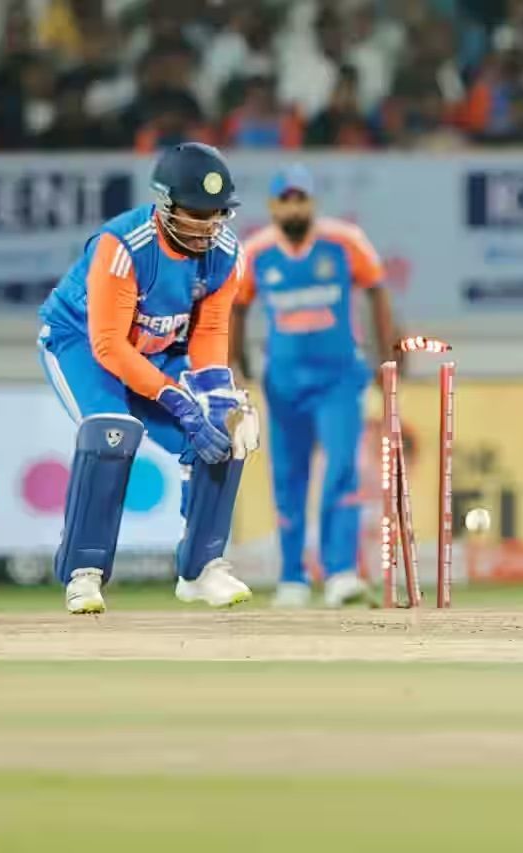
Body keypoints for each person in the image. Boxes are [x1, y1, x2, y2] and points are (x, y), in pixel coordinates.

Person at [37, 142, 260, 615]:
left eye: (216, 213)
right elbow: (108, 346)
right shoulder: (122, 246)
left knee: (227, 426)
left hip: (160, 348)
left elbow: (212, 330)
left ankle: (201, 569)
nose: (207, 225)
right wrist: (178, 401)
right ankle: (84, 573)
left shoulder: (226, 253)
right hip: (81, 342)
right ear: (166, 206)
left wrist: (214, 395)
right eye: (196, 213)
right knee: (111, 432)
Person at [231, 165, 397, 609]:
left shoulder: (344, 242)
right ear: (271, 206)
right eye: (285, 199)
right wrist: (236, 362)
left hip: (340, 379)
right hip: (284, 383)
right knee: (288, 479)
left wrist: (388, 355)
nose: (293, 206)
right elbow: (236, 306)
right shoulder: (257, 252)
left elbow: (377, 291)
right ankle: (292, 578)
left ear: (313, 202)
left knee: (341, 470)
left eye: (300, 197)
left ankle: (340, 572)